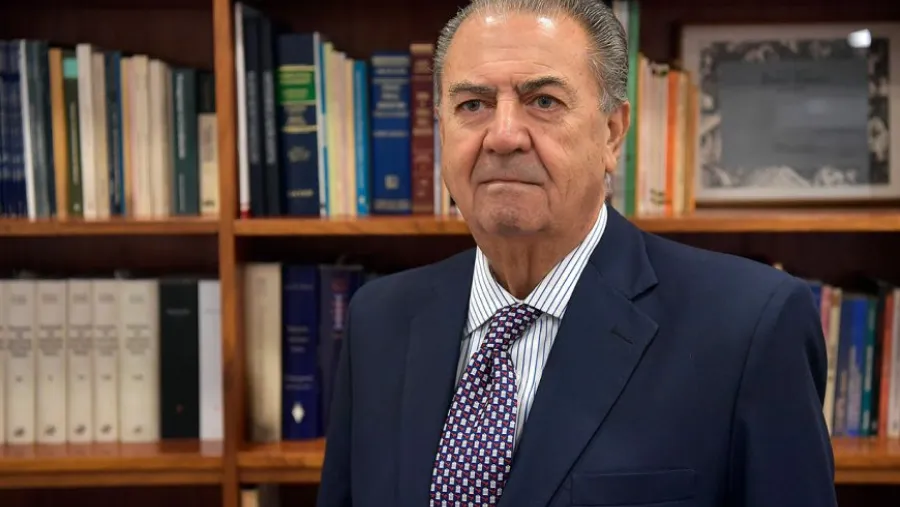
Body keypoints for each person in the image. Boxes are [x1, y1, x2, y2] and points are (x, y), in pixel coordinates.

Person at [316, 0, 838, 505]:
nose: (503, 136)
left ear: (612, 133)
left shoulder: (749, 328)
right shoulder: (379, 320)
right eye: (472, 105)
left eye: (543, 101)